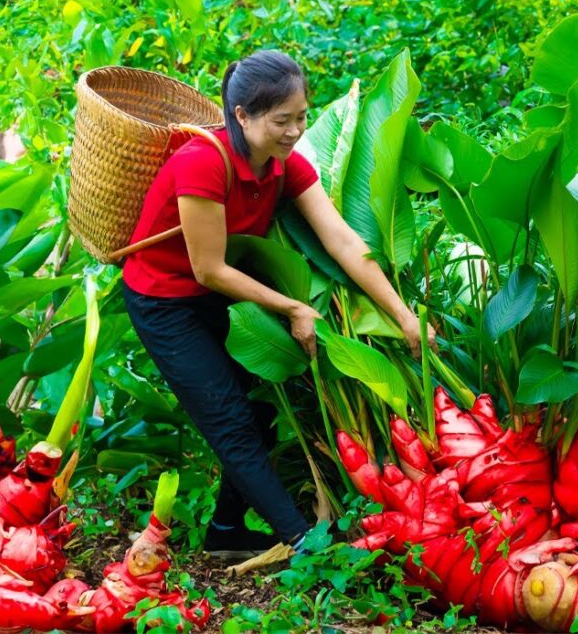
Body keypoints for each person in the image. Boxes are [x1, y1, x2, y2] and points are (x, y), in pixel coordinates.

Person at [121, 50, 434, 559]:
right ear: (241, 116)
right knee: (231, 420)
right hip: (166, 300)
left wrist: (403, 316)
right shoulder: (202, 162)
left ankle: (225, 533)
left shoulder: (283, 165)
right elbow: (209, 268)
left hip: (220, 297)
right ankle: (307, 545)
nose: (294, 132)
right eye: (281, 120)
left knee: (262, 408)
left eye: (302, 117)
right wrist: (293, 308)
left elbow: (343, 241)